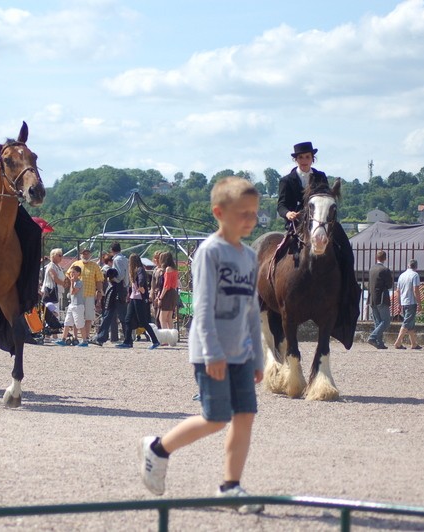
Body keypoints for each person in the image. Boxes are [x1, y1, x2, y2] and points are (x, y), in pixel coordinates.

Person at [139, 177, 264, 513]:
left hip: (241, 353)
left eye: (254, 214)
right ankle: (158, 448)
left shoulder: (250, 257)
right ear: (219, 212)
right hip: (211, 353)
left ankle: (230, 486)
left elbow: (253, 310)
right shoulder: (209, 251)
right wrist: (212, 352)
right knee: (215, 418)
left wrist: (258, 358)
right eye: (243, 214)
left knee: (246, 416)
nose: (250, 220)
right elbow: (203, 306)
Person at [277, 141, 359, 348]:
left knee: (344, 248)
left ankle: (348, 284)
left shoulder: (320, 176)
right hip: (298, 222)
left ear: (312, 158)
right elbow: (281, 204)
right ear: (295, 160)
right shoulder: (287, 180)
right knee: (280, 251)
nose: (304, 161)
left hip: (321, 220)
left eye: (307, 157)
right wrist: (288, 213)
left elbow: (327, 197)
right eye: (301, 158)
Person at [116, 254, 160, 350]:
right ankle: (128, 341)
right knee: (127, 320)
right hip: (133, 298)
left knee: (143, 321)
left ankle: (155, 341)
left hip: (138, 298)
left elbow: (141, 280)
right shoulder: (136, 270)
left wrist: (141, 288)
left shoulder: (139, 270)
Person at [67, 248, 104, 347]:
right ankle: (75, 337)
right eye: (84, 254)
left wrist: (99, 291)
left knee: (88, 317)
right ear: (80, 254)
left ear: (90, 255)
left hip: (90, 294)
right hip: (77, 295)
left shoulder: (95, 265)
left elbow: (99, 280)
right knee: (76, 317)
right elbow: (68, 274)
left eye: (87, 254)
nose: (86, 255)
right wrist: (72, 283)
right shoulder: (76, 264)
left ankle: (86, 337)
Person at [393, 259, 422, 350]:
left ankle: (413, 343)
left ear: (408, 265)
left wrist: (399, 303)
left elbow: (397, 291)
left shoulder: (402, 276)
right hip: (411, 302)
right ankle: (398, 342)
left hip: (404, 301)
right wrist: (419, 303)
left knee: (410, 323)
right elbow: (415, 290)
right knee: (407, 322)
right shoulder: (415, 275)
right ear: (416, 267)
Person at [367, 250, 393, 349]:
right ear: (385, 258)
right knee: (386, 321)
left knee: (377, 322)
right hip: (382, 298)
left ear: (376, 258)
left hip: (372, 298)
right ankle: (373, 337)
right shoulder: (385, 270)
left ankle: (379, 342)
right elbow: (390, 285)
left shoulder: (371, 269)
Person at [55, 265, 84, 347]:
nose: (72, 274)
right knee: (67, 322)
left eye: (74, 272)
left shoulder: (79, 282)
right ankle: (63, 339)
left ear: (78, 273)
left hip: (78, 305)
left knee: (79, 324)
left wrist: (71, 282)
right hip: (72, 305)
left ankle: (85, 340)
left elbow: (72, 292)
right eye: (71, 272)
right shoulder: (74, 282)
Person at [93, 268, 120, 346]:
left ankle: (100, 338)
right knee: (106, 323)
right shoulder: (114, 286)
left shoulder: (112, 287)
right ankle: (101, 338)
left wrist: (106, 308)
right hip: (111, 307)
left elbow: (108, 299)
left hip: (110, 307)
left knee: (105, 322)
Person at [110, 242, 130, 342]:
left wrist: (114, 279)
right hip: (124, 287)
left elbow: (120, 275)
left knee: (120, 314)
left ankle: (126, 337)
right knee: (122, 313)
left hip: (119, 287)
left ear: (112, 250)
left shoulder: (117, 260)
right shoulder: (125, 259)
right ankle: (126, 336)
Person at [155, 251, 179, 330]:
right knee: (169, 318)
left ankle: (165, 338)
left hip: (167, 294)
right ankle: (172, 338)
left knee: (162, 318)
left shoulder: (168, 269)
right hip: (173, 293)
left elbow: (166, 285)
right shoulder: (174, 269)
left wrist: (160, 297)